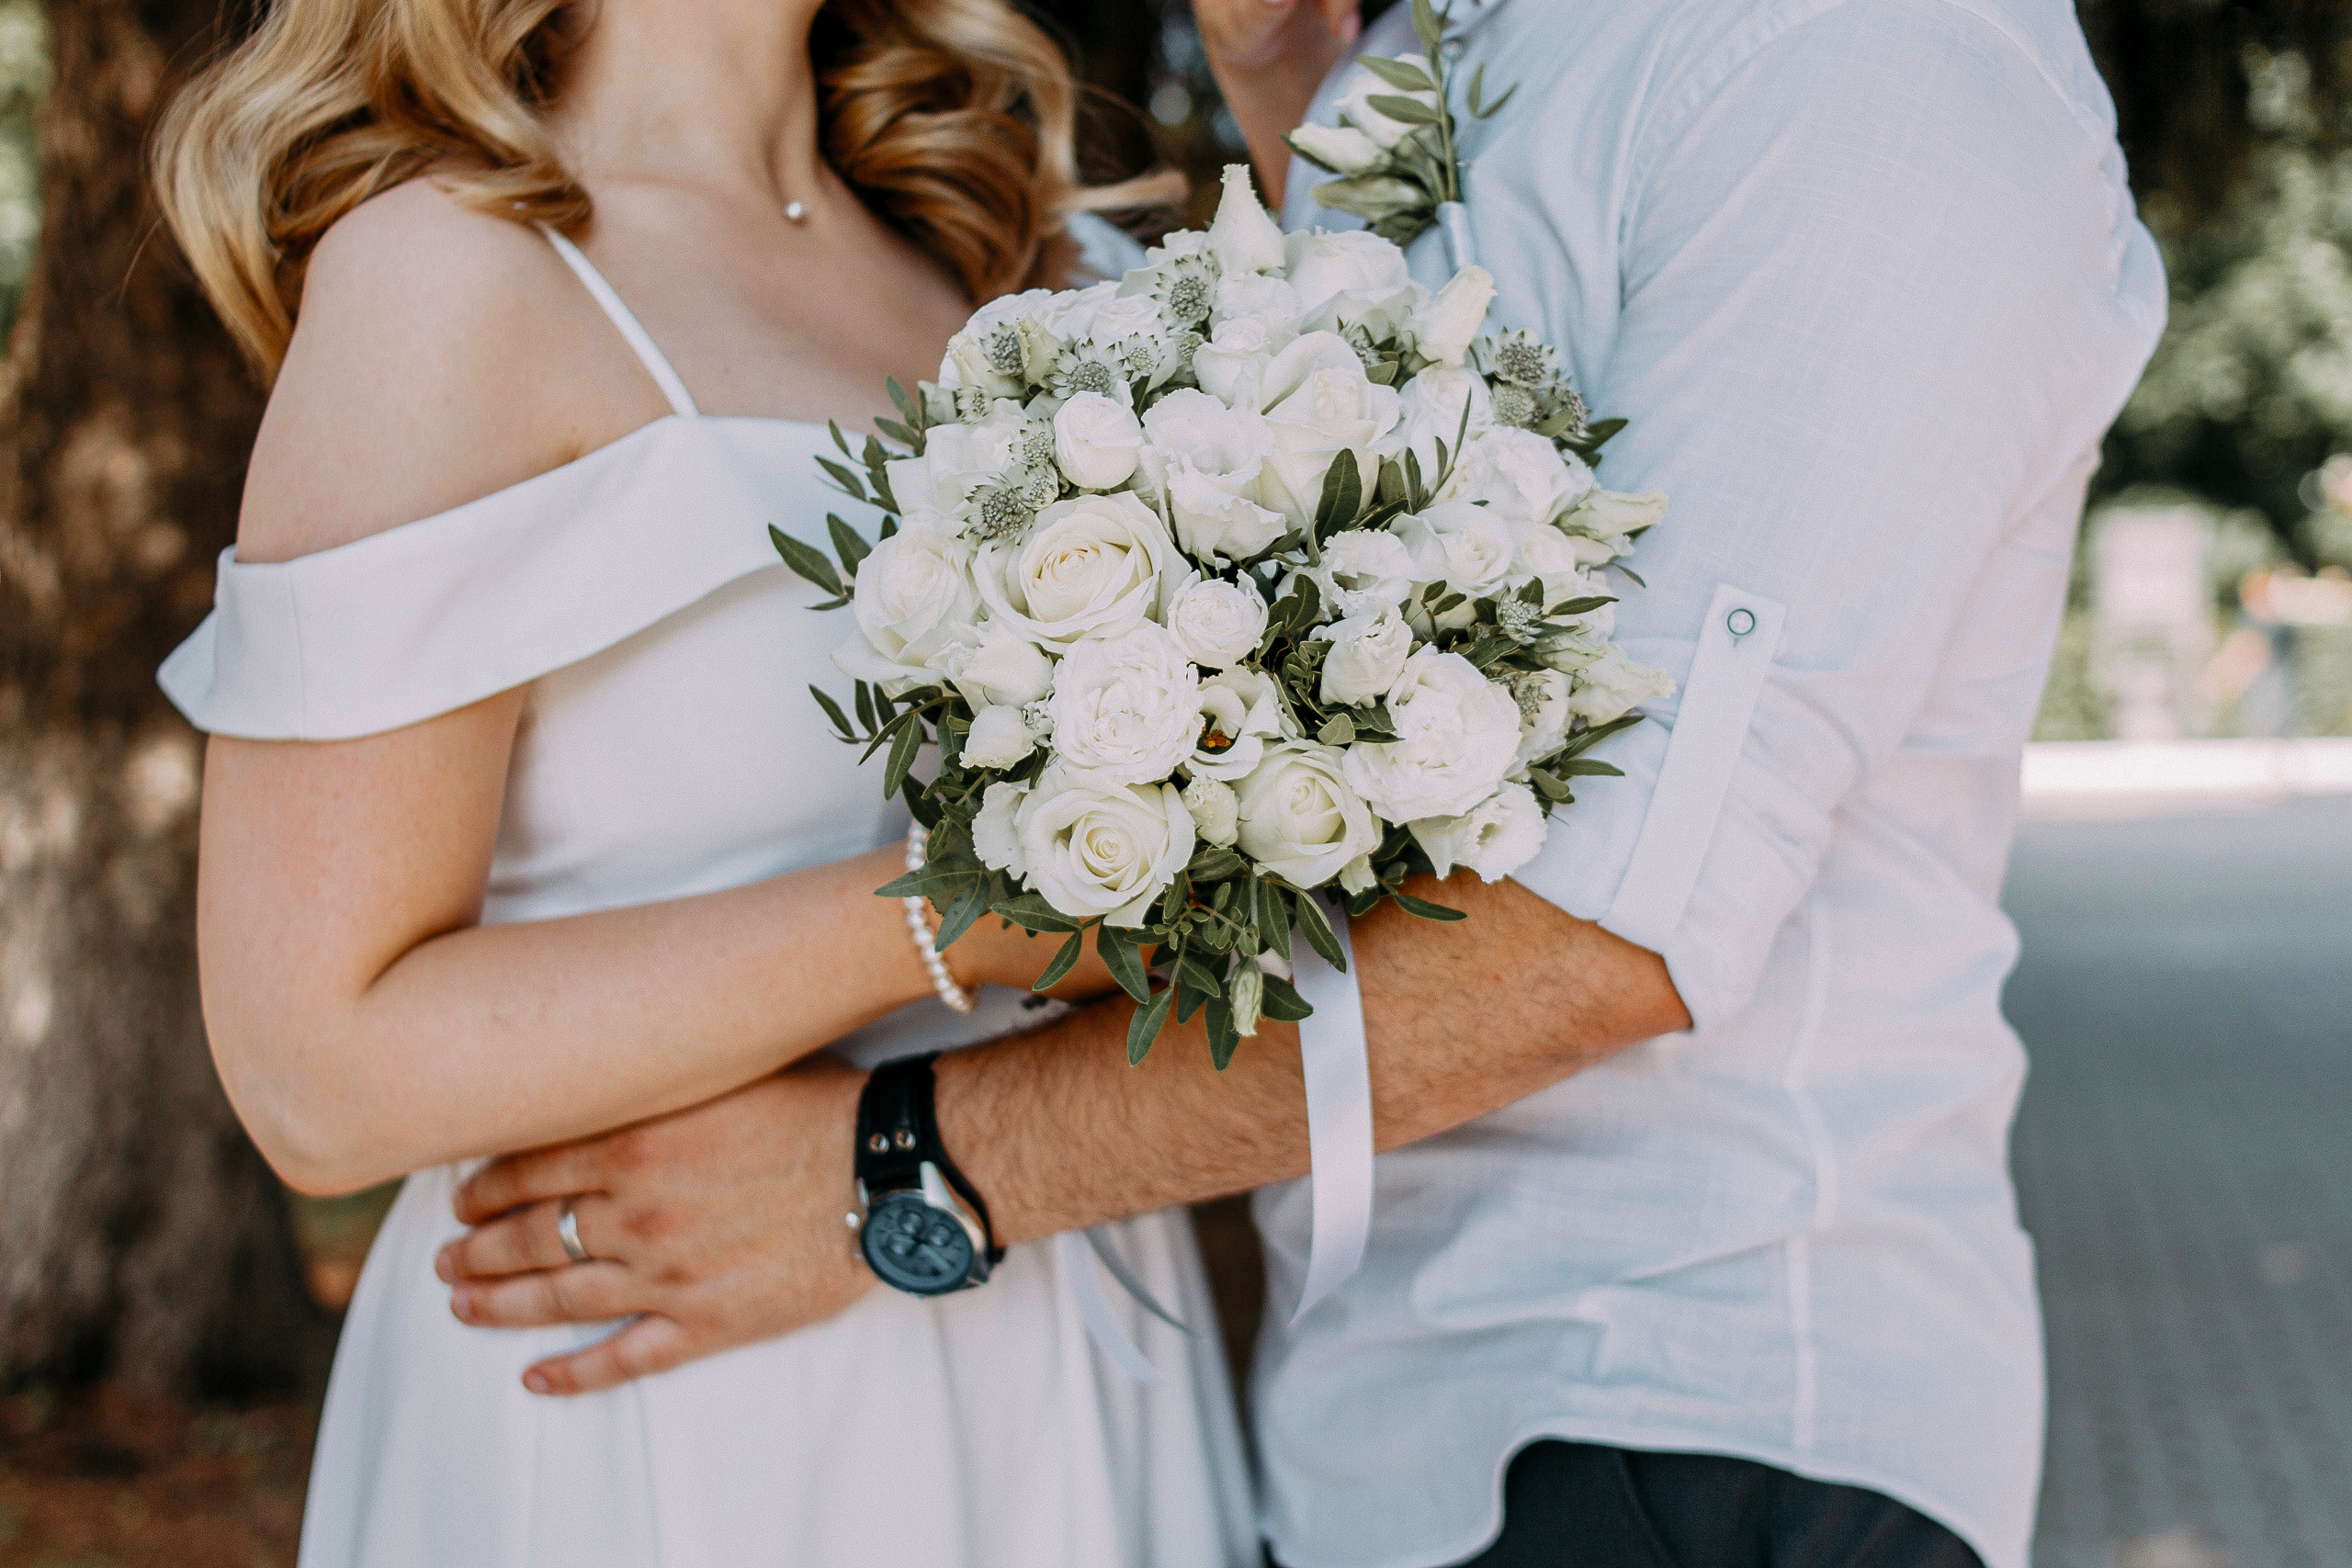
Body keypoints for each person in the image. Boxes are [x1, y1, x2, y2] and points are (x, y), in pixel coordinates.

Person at [437, 1, 2168, 1566]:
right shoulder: (1425, 58)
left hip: (1681, 1416)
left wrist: (900, 1173)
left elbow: (1605, 935)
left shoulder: (1858, 62)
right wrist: (1280, 89)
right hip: (1362, 1435)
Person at [148, 0, 1261, 1563]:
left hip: (1059, 1327)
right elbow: (313, 1074)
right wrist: (959, 920)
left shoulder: (1021, 265)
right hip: (667, 1397)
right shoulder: (448, 271)